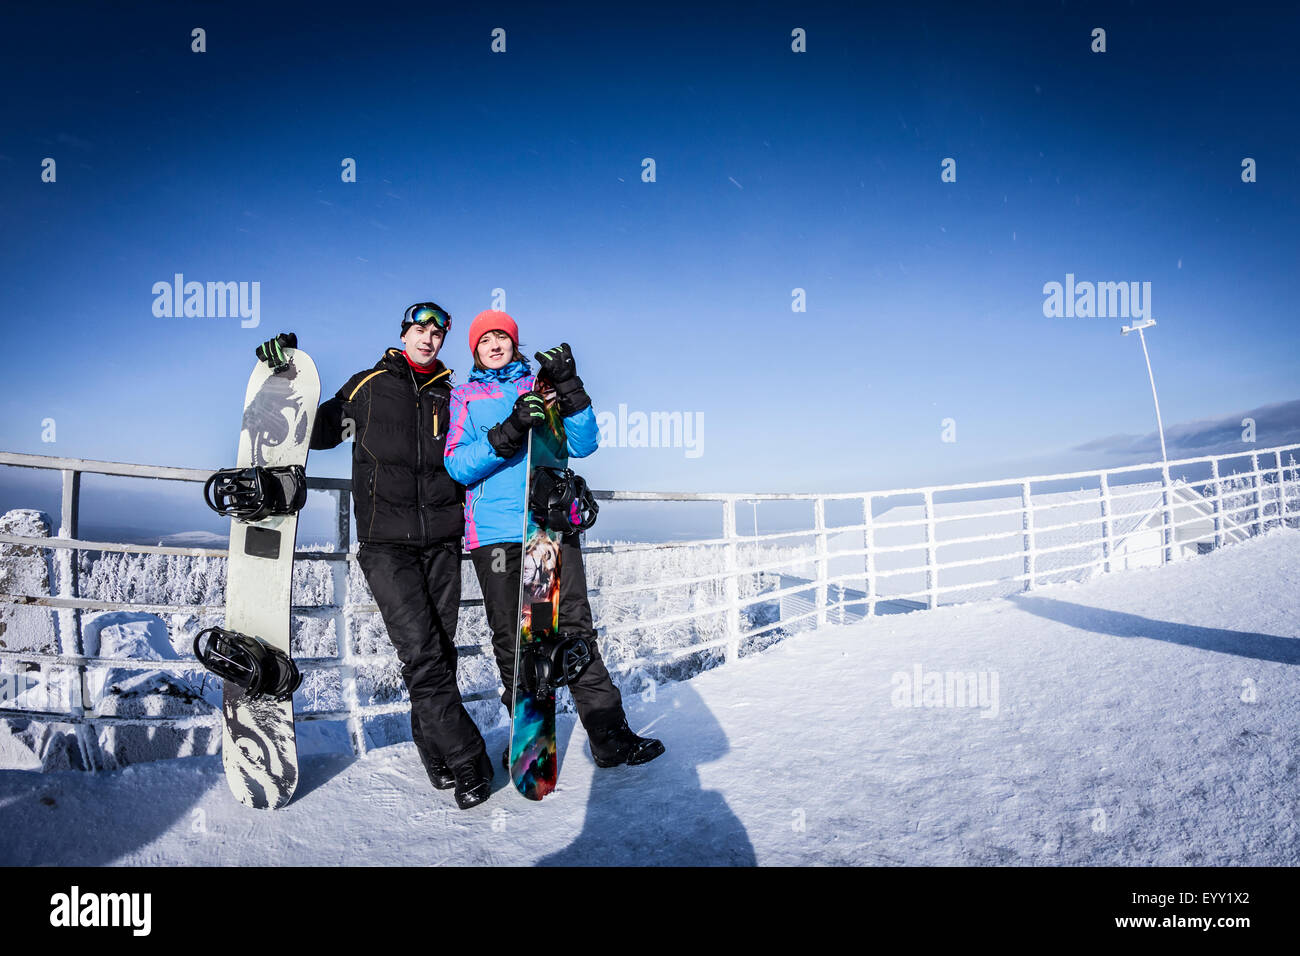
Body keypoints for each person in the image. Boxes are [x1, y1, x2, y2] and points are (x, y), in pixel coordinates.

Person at [265, 303, 495, 810]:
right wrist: (284, 376)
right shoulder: (367, 387)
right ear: (404, 334)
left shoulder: (450, 395)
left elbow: (478, 448)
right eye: (421, 330)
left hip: (440, 541)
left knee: (439, 648)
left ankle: (432, 749)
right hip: (385, 545)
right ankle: (467, 757)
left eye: (438, 334)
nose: (429, 339)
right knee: (422, 653)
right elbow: (318, 430)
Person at [443, 309, 664, 770]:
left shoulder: (540, 387)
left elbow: (585, 444)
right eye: (486, 339)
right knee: (517, 640)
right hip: (498, 534)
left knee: (575, 632)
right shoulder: (464, 396)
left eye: (503, 335)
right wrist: (510, 428)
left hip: (549, 527)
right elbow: (459, 466)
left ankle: (610, 737)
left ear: (515, 342)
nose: (496, 343)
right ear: (475, 349)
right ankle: (529, 743)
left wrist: (570, 386)